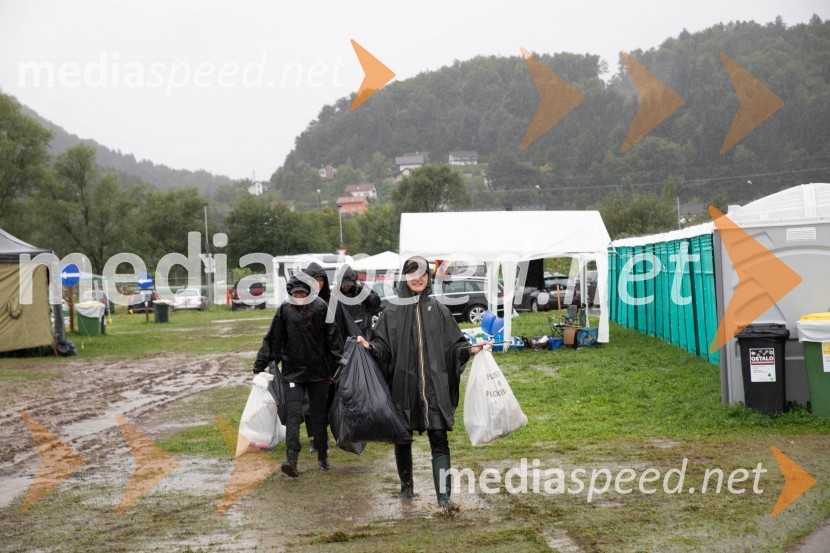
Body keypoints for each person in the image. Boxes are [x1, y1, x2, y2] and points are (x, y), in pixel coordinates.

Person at [357, 255, 486, 509]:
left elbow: (455, 345)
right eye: (412, 274)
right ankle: (406, 488)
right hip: (403, 389)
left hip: (434, 389)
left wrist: (470, 349)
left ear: (429, 278)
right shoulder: (392, 312)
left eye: (422, 274)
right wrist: (369, 347)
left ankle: (444, 497)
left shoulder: (439, 310)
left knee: (439, 439)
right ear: (405, 277)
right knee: (402, 438)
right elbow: (382, 347)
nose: (418, 279)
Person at [252, 275, 343, 476]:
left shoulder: (321, 307)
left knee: (319, 416)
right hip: (293, 372)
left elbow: (333, 337)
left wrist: (340, 363)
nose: (299, 297)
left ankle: (322, 456)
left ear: (309, 292)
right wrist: (259, 365)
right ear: (291, 294)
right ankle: (291, 459)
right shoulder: (285, 310)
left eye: (302, 293)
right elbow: (273, 339)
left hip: (319, 373)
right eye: (296, 294)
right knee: (293, 416)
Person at [338, 265, 382, 337]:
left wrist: (362, 290)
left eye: (349, 284)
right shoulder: (335, 294)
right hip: (345, 335)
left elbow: (376, 302)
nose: (346, 287)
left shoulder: (361, 288)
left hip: (364, 334)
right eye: (344, 284)